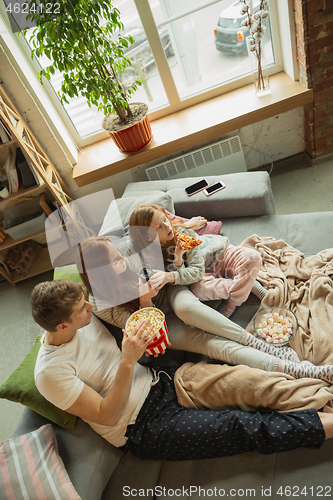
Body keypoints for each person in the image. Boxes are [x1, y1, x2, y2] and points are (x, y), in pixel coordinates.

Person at [31, 279, 333, 460]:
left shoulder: (86, 316)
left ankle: (317, 386)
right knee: (241, 426)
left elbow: (135, 320)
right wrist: (127, 360)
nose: (90, 307)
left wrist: (146, 321)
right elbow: (107, 414)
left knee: (254, 382)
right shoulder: (50, 373)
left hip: (165, 381)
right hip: (142, 427)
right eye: (82, 308)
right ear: (62, 326)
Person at [76, 236, 333, 381]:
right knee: (213, 346)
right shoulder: (100, 303)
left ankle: (258, 343)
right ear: (102, 274)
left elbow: (170, 256)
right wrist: (144, 300)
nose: (124, 258)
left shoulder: (129, 250)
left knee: (188, 309)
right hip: (159, 325)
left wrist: (164, 277)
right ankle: (302, 370)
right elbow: (144, 333)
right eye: (116, 260)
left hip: (170, 290)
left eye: (120, 254)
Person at [129, 203, 265, 318]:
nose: (167, 226)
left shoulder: (183, 232)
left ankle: (233, 302)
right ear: (147, 237)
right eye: (159, 227)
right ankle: (247, 285)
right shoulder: (153, 257)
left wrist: (172, 272)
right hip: (203, 275)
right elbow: (191, 277)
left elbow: (196, 270)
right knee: (199, 290)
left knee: (253, 256)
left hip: (219, 255)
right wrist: (178, 259)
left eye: (165, 219)